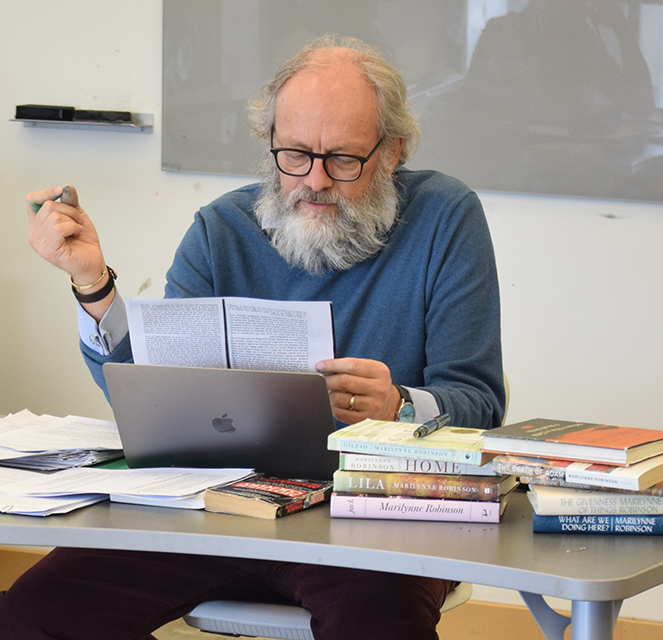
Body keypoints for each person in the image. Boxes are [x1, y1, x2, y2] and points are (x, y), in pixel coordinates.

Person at [7, 35, 504, 640]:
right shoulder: (222, 227)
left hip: (368, 519)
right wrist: (91, 281)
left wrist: (400, 406)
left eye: (344, 159)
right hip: (211, 510)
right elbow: (154, 401)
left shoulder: (446, 217)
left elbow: (480, 402)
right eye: (294, 153)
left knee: (376, 624)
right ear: (269, 144)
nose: (314, 180)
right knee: (30, 615)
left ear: (393, 150)